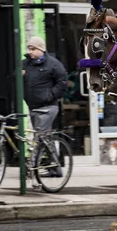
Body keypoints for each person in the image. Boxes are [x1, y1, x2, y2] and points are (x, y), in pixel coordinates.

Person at [22, 36, 68, 177]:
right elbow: (12, 78)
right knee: (45, 138)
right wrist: (18, 75)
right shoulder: (25, 64)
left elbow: (63, 81)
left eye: (33, 49)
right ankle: (56, 168)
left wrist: (50, 95)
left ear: (41, 49)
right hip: (33, 106)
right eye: (29, 48)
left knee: (39, 134)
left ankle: (30, 167)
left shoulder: (53, 64)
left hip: (49, 108)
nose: (30, 52)